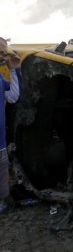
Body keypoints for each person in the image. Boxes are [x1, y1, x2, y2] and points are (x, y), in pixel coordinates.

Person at [0, 37, 21, 213]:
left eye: (4, 52)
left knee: (3, 190)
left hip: (1, 145)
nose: (3, 56)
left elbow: (13, 96)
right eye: (1, 52)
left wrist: (14, 70)